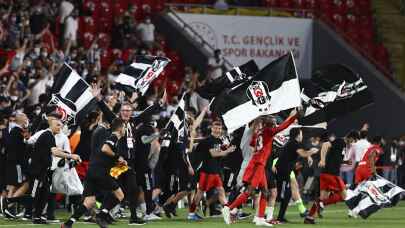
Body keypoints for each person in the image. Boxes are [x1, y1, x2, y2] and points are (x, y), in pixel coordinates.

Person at [223, 109, 299, 226]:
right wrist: (294, 116)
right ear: (268, 123)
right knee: (249, 191)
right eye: (272, 121)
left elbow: (253, 144)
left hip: (257, 162)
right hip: (258, 164)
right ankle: (229, 209)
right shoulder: (269, 131)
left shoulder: (259, 132)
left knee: (265, 191)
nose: (275, 122)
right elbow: (284, 126)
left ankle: (259, 218)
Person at [62, 118, 126, 228]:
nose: (125, 129)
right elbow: (105, 149)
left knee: (89, 201)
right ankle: (101, 215)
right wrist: (117, 157)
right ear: (120, 128)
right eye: (124, 127)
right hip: (100, 172)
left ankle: (68, 223)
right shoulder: (114, 136)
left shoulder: (110, 137)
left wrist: (118, 162)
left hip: (92, 171)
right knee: (120, 195)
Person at [188, 120, 236, 221]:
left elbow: (218, 152)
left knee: (221, 191)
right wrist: (227, 151)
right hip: (207, 171)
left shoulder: (218, 141)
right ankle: (191, 213)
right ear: (212, 129)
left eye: (219, 128)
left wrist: (225, 149)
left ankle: (228, 214)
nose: (218, 130)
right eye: (216, 128)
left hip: (215, 170)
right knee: (200, 193)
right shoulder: (209, 140)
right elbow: (214, 154)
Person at [304, 132, 352, 224]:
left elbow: (335, 159)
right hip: (332, 174)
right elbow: (326, 144)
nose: (353, 143)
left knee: (322, 197)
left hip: (325, 174)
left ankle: (309, 218)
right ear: (350, 138)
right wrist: (322, 160)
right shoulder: (340, 141)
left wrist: (345, 162)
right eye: (353, 140)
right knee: (344, 196)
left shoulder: (342, 145)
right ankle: (321, 204)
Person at [274, 128, 317, 224]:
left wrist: (308, 156)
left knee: (287, 193)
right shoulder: (293, 143)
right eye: (301, 134)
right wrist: (311, 152)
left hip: (285, 170)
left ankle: (280, 217)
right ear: (298, 135)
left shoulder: (294, 143)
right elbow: (303, 153)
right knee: (281, 194)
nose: (302, 136)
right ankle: (268, 215)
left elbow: (302, 151)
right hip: (282, 170)